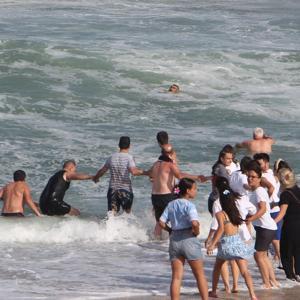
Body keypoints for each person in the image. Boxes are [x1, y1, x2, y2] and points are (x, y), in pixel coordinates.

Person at [206, 177, 257, 300]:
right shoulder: (235, 212)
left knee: (217, 267)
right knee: (244, 271)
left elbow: (220, 229)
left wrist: (212, 244)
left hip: (225, 244)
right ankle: (253, 295)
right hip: (237, 242)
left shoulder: (220, 213)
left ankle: (213, 291)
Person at [159, 178, 208, 300]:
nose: (196, 191)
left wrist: (170, 230)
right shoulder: (189, 205)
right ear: (188, 190)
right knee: (200, 275)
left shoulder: (171, 204)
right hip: (188, 238)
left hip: (174, 239)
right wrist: (196, 232)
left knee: (176, 277)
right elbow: (195, 223)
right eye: (195, 189)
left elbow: (161, 222)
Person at [145, 146, 206, 236]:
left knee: (159, 221)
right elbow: (180, 175)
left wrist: (139, 172)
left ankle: (156, 241)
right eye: (174, 155)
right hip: (166, 196)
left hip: (155, 196)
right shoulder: (170, 165)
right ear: (170, 154)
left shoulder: (156, 164)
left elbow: (150, 174)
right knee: (177, 216)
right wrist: (196, 177)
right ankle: (176, 236)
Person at [245, 160, 279, 288]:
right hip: (265, 228)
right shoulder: (255, 191)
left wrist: (251, 219)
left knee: (258, 255)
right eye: (248, 176)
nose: (250, 179)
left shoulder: (259, 191)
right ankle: (273, 281)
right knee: (263, 255)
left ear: (259, 178)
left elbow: (263, 209)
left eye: (253, 177)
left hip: (266, 228)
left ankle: (267, 283)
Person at [93, 136, 145, 214]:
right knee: (127, 215)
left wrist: (96, 177)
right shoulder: (129, 158)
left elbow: (102, 170)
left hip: (113, 190)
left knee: (112, 216)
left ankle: (109, 226)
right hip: (125, 190)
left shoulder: (111, 157)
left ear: (119, 145)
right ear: (129, 146)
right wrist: (147, 172)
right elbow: (133, 172)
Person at [254, 153, 282, 266]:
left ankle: (279, 259)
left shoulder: (264, 176)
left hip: (271, 209)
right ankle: (277, 259)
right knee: (275, 237)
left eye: (259, 163)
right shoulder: (273, 174)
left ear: (266, 163)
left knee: (274, 238)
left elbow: (271, 188)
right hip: (276, 207)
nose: (258, 165)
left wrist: (266, 199)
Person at [274, 168, 300, 282]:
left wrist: (271, 223)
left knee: (286, 251)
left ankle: (290, 276)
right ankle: (299, 274)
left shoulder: (285, 194)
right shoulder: (297, 189)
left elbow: (282, 213)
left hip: (290, 226)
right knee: (298, 250)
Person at [208, 145, 238, 215]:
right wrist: (233, 195)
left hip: (214, 199)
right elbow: (225, 189)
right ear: (222, 159)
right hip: (218, 201)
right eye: (228, 158)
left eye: (231, 158)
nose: (230, 161)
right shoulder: (221, 170)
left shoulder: (218, 167)